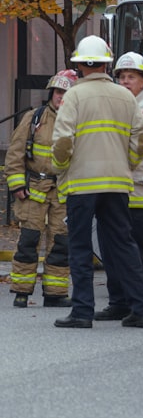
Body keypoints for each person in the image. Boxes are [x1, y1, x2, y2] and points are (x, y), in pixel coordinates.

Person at [50, 35, 143, 329]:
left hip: (82, 184)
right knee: (123, 244)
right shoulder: (124, 95)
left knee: (80, 247)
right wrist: (129, 162)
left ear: (81, 64)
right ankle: (140, 309)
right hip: (117, 183)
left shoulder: (74, 97)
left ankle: (82, 311)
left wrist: (61, 168)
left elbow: (62, 140)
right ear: (107, 64)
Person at [93, 53, 143, 322]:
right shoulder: (118, 106)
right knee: (111, 249)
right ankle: (119, 301)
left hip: (139, 190)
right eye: (121, 76)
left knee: (140, 249)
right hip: (115, 186)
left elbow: (124, 139)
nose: (125, 81)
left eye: (131, 77)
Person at [4, 70, 77, 308]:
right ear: (51, 93)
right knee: (28, 240)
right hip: (33, 189)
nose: (61, 96)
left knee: (60, 242)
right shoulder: (34, 118)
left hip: (62, 190)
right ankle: (21, 291)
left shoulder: (78, 121)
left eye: (66, 92)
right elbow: (15, 154)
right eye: (58, 91)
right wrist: (16, 184)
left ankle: (55, 293)